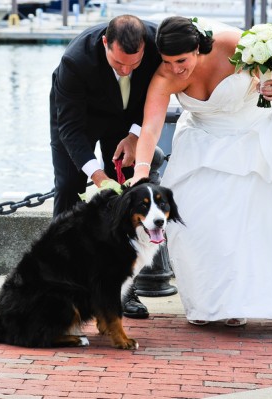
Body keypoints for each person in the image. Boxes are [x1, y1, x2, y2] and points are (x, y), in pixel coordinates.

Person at [132, 16, 272, 326]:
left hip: (256, 137)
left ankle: (248, 302)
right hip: (203, 146)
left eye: (181, 60)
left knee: (260, 224)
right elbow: (150, 129)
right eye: (168, 62)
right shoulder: (164, 77)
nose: (175, 69)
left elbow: (271, 68)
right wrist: (141, 173)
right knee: (198, 226)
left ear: (197, 48)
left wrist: (271, 83)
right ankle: (215, 304)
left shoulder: (232, 43)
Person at [50, 15, 162, 319]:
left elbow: (157, 96)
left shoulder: (156, 43)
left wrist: (135, 135)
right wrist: (97, 176)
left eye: (133, 64)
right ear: (104, 44)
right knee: (68, 187)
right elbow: (70, 128)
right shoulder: (74, 61)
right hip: (77, 118)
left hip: (127, 120)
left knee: (129, 193)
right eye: (118, 64)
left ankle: (125, 290)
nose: (126, 70)